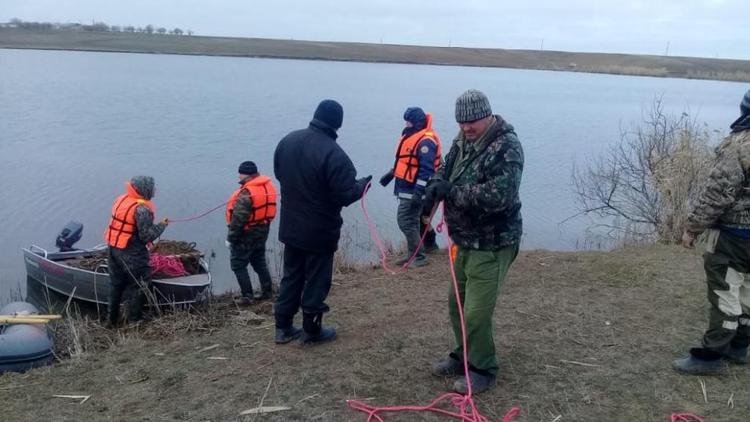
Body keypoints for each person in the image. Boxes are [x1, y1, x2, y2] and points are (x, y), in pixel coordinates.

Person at [422, 89, 524, 394]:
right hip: (463, 241)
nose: (467, 128)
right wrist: (435, 185)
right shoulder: (461, 139)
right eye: (462, 122)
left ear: (488, 115)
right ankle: (463, 354)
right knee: (457, 304)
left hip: (492, 243)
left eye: (473, 122)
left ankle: (483, 369)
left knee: (477, 311)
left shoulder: (508, 146)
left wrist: (451, 192)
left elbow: (499, 196)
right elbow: (446, 169)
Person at [273, 99, 372, 345]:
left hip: (291, 227)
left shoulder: (287, 141)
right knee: (317, 280)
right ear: (338, 124)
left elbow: (279, 174)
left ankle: (282, 328)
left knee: (291, 276)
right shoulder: (335, 154)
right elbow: (345, 194)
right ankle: (312, 331)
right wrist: (362, 186)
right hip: (319, 232)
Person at [673, 89, 750, 375]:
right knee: (747, 292)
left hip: (733, 237)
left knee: (724, 293)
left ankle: (711, 356)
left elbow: (717, 194)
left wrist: (692, 228)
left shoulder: (739, 146)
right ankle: (740, 347)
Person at [379, 107, 441, 267]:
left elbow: (426, 170)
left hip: (414, 191)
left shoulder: (426, 141)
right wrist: (391, 174)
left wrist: (418, 192)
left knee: (405, 221)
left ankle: (419, 256)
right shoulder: (411, 137)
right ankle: (414, 254)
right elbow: (405, 160)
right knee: (412, 222)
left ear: (416, 123)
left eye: (408, 121)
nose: (406, 124)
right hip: (406, 188)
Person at [104, 176, 168, 327]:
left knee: (115, 285)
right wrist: (162, 225)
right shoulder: (142, 209)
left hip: (113, 249)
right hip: (131, 253)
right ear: (144, 189)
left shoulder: (121, 200)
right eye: (152, 187)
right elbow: (146, 236)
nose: (154, 190)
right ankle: (135, 321)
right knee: (140, 285)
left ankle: (110, 321)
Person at [225, 160, 277, 304]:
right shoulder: (268, 186)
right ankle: (267, 292)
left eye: (240, 174)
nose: (238, 177)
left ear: (247, 175)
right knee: (259, 261)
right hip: (263, 230)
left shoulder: (247, 193)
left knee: (238, 264)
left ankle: (247, 296)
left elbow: (238, 220)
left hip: (246, 233)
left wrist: (230, 239)